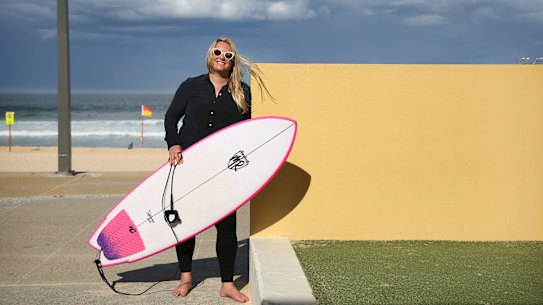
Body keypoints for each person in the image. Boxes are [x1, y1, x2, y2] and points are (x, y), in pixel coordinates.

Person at [163, 36, 272, 303]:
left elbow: (250, 131)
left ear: (234, 61)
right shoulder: (191, 86)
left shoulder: (243, 92)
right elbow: (171, 117)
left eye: (228, 55)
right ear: (209, 55)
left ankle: (227, 284)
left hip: (224, 169)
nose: (222, 57)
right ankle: (186, 278)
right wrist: (174, 143)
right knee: (185, 224)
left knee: (226, 226)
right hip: (188, 164)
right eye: (217, 52)